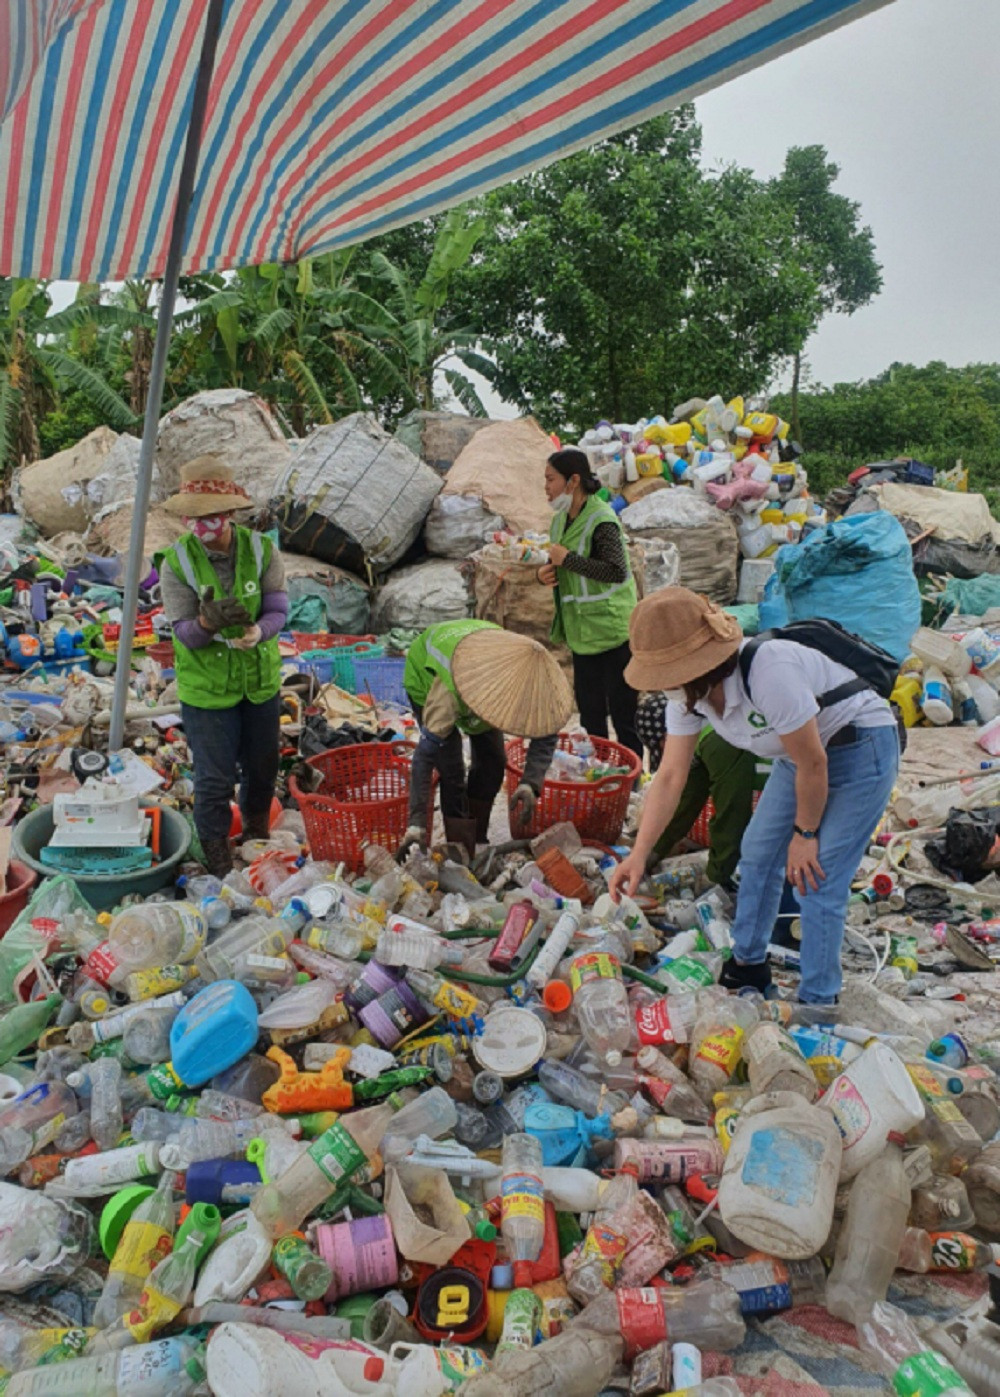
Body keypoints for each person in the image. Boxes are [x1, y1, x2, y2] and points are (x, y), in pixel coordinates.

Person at [610, 588, 899, 1004]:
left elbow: (815, 764)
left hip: (859, 747)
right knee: (758, 853)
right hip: (796, 757)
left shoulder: (769, 671)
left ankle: (819, 1000)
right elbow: (671, 776)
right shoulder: (687, 699)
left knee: (816, 878)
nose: (663, 686)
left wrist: (805, 834)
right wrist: (639, 853)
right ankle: (747, 963)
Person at [160, 456, 288, 878]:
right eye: (192, 517)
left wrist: (259, 633)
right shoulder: (176, 563)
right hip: (208, 691)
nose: (200, 525)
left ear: (229, 514)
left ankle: (254, 839)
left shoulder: (261, 549)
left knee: (262, 766)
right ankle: (217, 862)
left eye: (209, 516)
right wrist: (205, 622)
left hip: (259, 684)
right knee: (214, 781)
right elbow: (184, 634)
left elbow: (277, 608)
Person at [399, 619, 573, 856]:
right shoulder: (448, 694)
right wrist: (416, 824)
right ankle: (459, 846)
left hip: (480, 664)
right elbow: (424, 756)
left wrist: (530, 783)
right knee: (451, 770)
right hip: (428, 680)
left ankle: (477, 838)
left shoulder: (533, 676)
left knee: (492, 761)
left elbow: (547, 729)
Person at [538, 448, 641, 759]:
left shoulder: (602, 519)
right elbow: (559, 566)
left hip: (613, 631)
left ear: (573, 481)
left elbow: (614, 570)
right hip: (582, 634)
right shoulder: (558, 522)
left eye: (550, 480)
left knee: (624, 715)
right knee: (590, 714)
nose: (546, 487)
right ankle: (597, 773)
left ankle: (630, 777)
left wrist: (567, 560)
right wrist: (544, 574)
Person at [635, 691, 760, 889]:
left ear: (669, 735)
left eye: (661, 747)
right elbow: (684, 804)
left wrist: (716, 876)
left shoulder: (718, 742)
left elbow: (732, 812)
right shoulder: (701, 742)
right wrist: (650, 854)